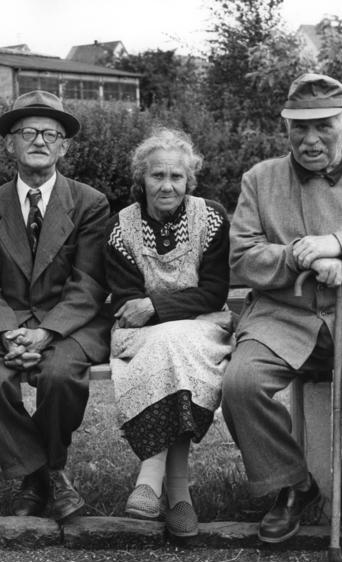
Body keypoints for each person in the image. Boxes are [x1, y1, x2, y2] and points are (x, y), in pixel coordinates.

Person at [221, 73, 342, 545]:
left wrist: (338, 247)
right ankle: (292, 485)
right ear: (286, 128)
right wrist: (297, 256)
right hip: (283, 315)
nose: (310, 140)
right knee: (240, 385)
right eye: (298, 128)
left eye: (323, 127)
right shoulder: (260, 179)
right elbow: (243, 256)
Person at [0, 90, 111, 521]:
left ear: (64, 146)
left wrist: (46, 332)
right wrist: (8, 332)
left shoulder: (89, 202)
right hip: (6, 322)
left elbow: (88, 283)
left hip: (69, 325)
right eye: (28, 131)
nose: (40, 140)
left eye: (51, 133)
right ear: (10, 143)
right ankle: (46, 472)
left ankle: (38, 477)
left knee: (61, 375)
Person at [105, 128, 231, 536]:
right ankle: (179, 496)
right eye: (157, 176)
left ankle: (152, 476)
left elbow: (213, 291)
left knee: (175, 344)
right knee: (169, 348)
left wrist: (158, 305)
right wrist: (158, 311)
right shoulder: (120, 229)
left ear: (188, 180)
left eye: (177, 177)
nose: (167, 185)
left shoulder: (210, 218)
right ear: (142, 178)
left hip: (202, 328)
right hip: (143, 336)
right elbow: (127, 302)